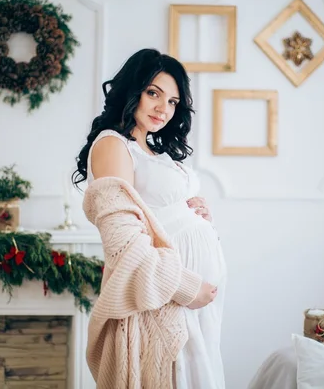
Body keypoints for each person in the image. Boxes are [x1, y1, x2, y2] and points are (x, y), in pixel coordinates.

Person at [73, 48, 227, 389]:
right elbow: (125, 245)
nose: (163, 108)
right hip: (165, 300)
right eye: (153, 93)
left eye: (173, 101)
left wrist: (195, 213)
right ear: (132, 91)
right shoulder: (113, 145)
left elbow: (157, 215)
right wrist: (186, 288)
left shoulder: (153, 151)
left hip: (192, 307)